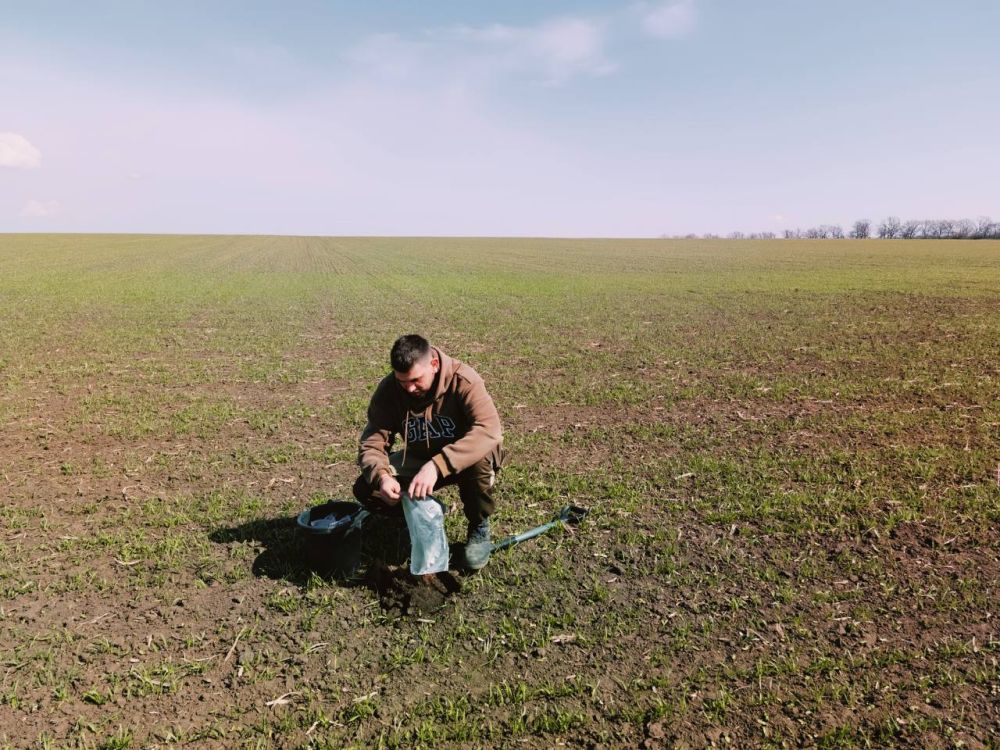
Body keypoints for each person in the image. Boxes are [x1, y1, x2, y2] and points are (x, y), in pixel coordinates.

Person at [353, 334, 504, 570]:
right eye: (403, 382)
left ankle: (479, 525)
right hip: (420, 457)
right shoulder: (390, 390)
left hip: (465, 459)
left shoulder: (463, 380)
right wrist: (382, 476)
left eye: (415, 380)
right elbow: (372, 443)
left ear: (434, 364)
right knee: (366, 487)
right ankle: (423, 512)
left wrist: (436, 466)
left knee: (480, 461)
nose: (409, 388)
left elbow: (489, 429)